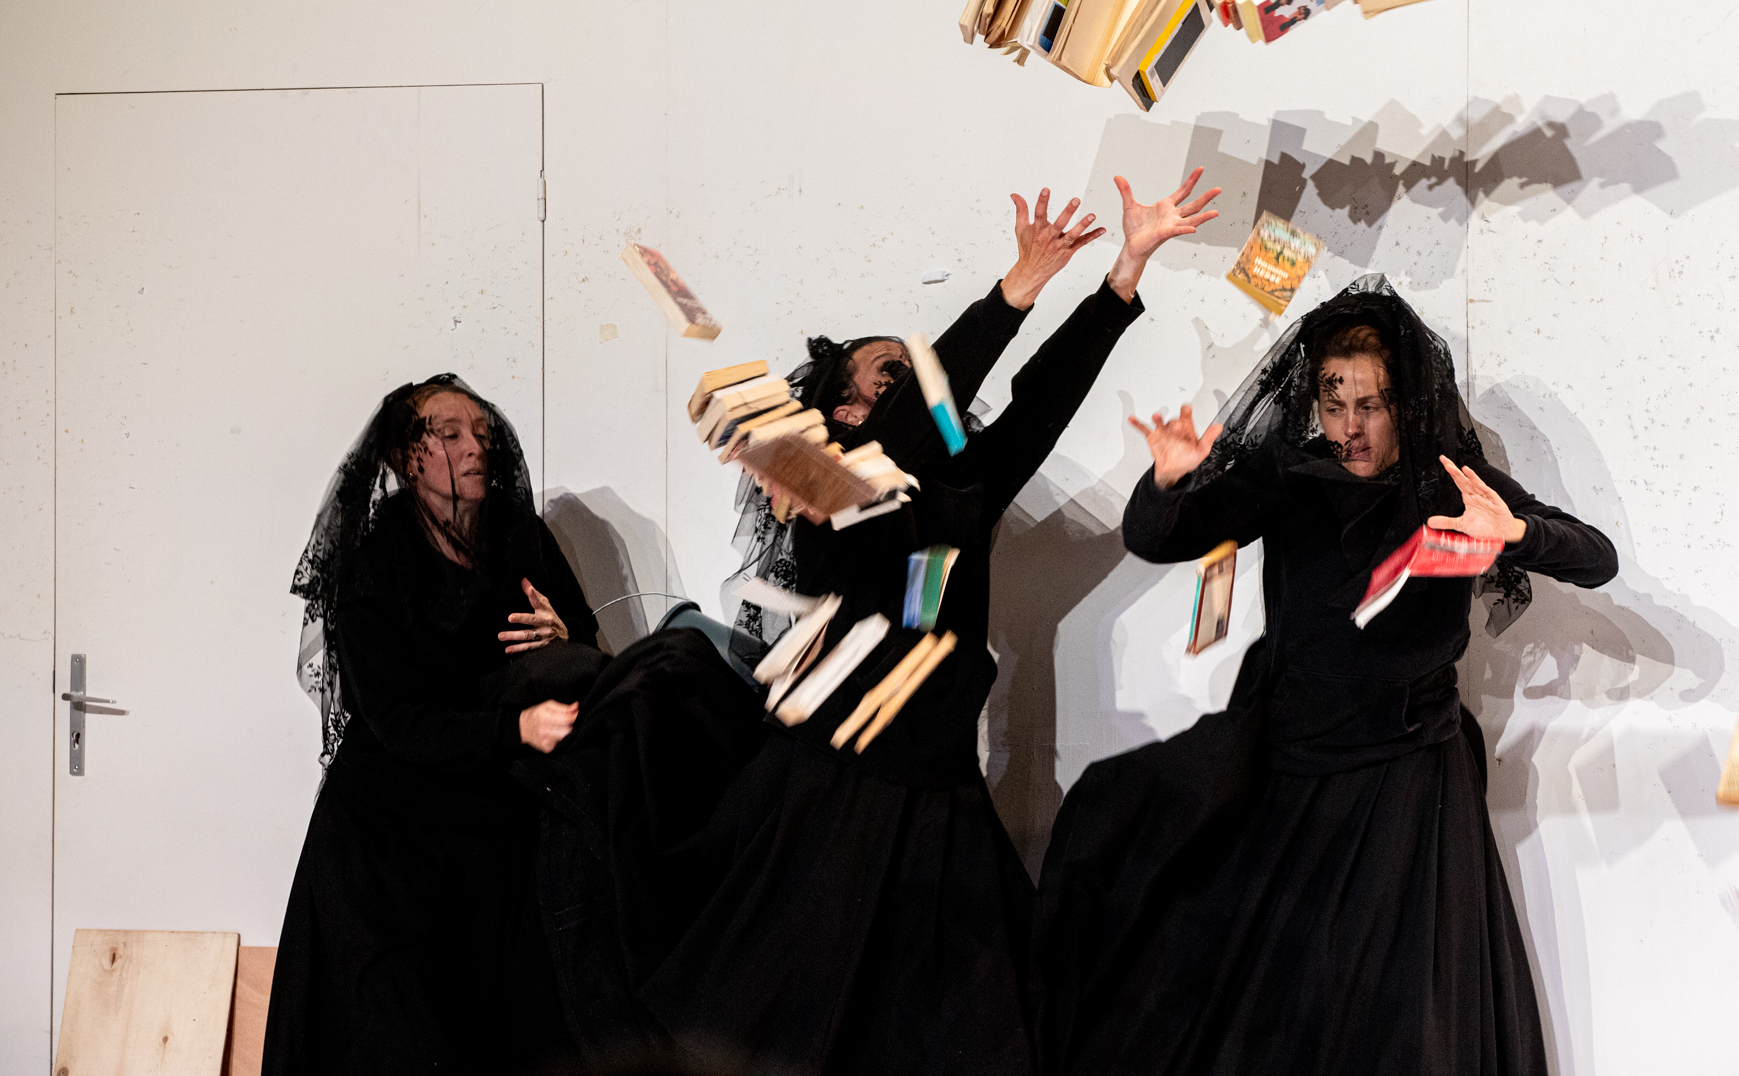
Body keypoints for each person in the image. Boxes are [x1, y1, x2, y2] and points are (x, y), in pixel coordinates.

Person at [637, 171, 1221, 1075]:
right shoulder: (818, 477)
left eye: (909, 380)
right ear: (838, 408)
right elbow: (904, 434)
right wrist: (1014, 288)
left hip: (938, 794)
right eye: (886, 379)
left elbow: (1037, 407)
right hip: (838, 797)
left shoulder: (957, 485)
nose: (906, 390)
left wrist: (1122, 275)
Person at [1029, 274, 1620, 1076]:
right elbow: (1158, 537)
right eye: (1334, 402)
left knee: (1398, 1023)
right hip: (1293, 768)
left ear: (1404, 404)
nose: (1349, 427)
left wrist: (1512, 530)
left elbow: (1597, 557)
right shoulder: (1290, 477)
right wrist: (1166, 479)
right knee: (1268, 1007)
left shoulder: (1447, 487)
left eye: (1368, 405)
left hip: (1407, 785)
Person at [265, 375, 606, 1076]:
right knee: (402, 1045)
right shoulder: (372, 562)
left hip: (495, 847)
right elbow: (395, 720)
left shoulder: (522, 540)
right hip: (387, 850)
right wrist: (512, 731)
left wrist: (564, 635)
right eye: (448, 434)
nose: (475, 447)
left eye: (480, 432)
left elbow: (590, 657)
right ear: (403, 457)